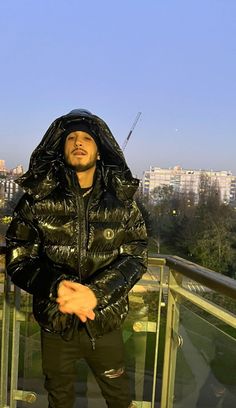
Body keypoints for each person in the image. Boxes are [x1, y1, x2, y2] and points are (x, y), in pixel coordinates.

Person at [6, 109, 147, 408]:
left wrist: (95, 294)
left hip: (105, 321)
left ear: (99, 151)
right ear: (60, 148)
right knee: (59, 399)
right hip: (56, 325)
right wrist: (58, 287)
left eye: (86, 138)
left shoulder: (121, 202)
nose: (78, 142)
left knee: (119, 397)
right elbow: (18, 257)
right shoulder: (37, 201)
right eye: (71, 138)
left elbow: (136, 255)